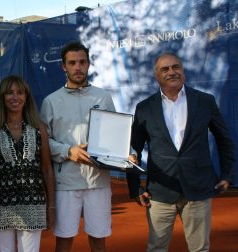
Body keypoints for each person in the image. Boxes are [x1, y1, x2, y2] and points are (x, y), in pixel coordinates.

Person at [127, 52, 235, 252]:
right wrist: (135, 188)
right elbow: (134, 149)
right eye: (165, 69)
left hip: (198, 188)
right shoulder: (144, 108)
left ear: (183, 71)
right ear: (157, 76)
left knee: (200, 249)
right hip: (160, 192)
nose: (171, 72)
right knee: (156, 248)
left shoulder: (205, 101)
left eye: (176, 67)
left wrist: (228, 174)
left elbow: (224, 140)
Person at [40, 41, 116, 252]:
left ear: (89, 64)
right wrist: (68, 151)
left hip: (98, 182)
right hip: (66, 184)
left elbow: (115, 134)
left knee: (99, 242)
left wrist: (129, 154)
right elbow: (43, 141)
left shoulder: (103, 97)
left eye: (82, 62)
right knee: (64, 242)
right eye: (72, 63)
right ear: (64, 66)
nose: (78, 67)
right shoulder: (51, 101)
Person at [0, 75, 55, 252]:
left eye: (20, 93)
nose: (15, 97)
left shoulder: (38, 127)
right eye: (9, 93)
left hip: (33, 204)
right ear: (2, 98)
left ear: (26, 97)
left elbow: (47, 170)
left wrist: (51, 207)